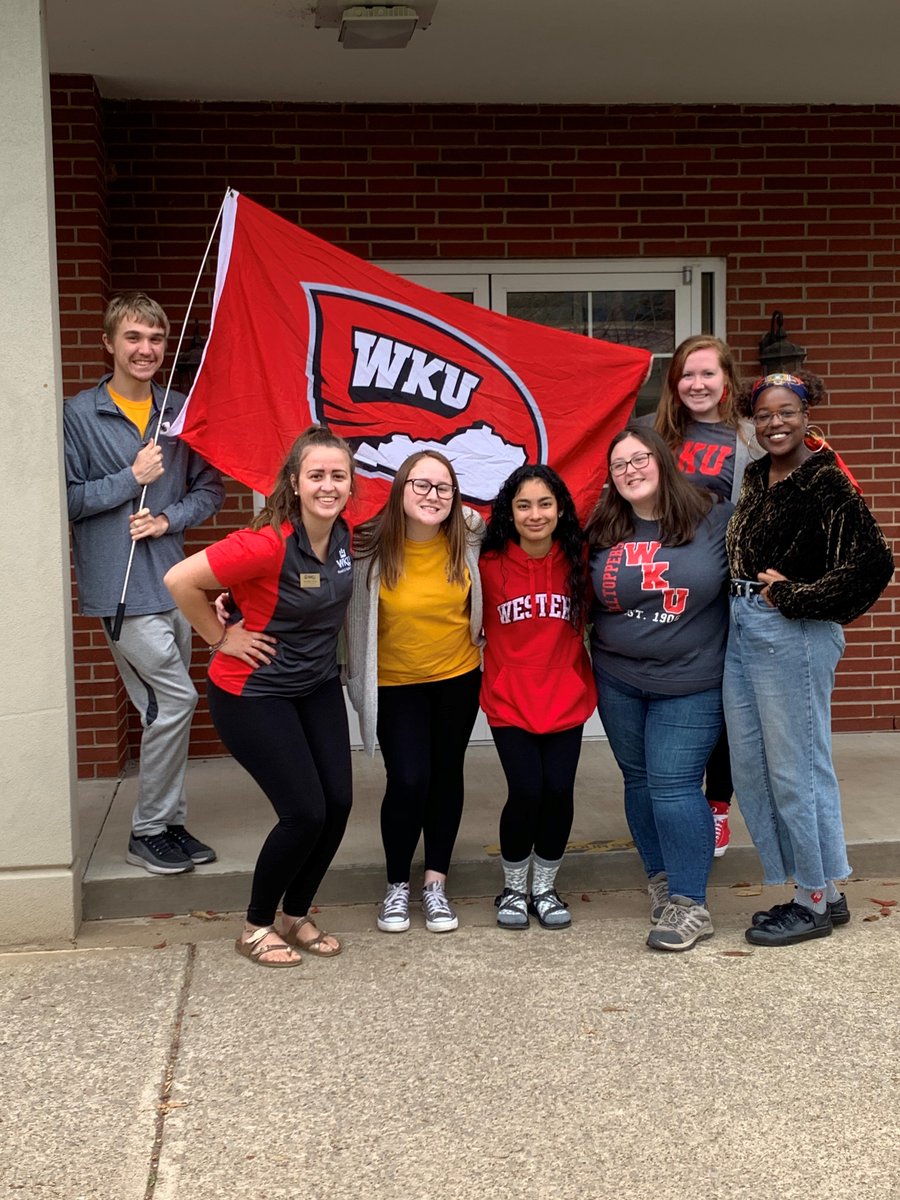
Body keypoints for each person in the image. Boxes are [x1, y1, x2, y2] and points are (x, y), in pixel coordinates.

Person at [164, 425, 355, 968]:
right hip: (253, 692)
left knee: (337, 804)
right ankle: (256, 925)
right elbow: (180, 579)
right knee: (303, 812)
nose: (327, 485)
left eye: (337, 476)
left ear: (350, 485)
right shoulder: (265, 542)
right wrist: (222, 635)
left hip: (314, 685)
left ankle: (296, 914)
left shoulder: (343, 535)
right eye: (316, 475)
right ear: (294, 483)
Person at [725, 372, 894, 947]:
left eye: (787, 412)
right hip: (743, 628)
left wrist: (797, 596)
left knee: (797, 769)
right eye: (764, 415)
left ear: (806, 415)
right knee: (756, 766)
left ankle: (812, 902)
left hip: (790, 633)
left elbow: (873, 564)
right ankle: (825, 887)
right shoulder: (755, 475)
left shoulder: (825, 480)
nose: (775, 423)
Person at [64, 293, 225, 875]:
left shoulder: (177, 412)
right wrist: (128, 479)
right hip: (121, 592)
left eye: (155, 339)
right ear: (109, 343)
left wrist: (166, 518)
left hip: (175, 585)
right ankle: (148, 831)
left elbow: (210, 490)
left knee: (167, 710)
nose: (146, 349)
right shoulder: (77, 416)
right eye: (133, 337)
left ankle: (169, 824)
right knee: (174, 701)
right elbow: (69, 499)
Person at [586, 427, 731, 951]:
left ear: (663, 459)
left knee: (673, 786)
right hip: (618, 678)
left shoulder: (715, 516)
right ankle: (663, 881)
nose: (629, 470)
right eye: (618, 464)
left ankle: (691, 903)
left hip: (691, 680)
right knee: (640, 780)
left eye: (639, 458)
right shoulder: (602, 525)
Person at [346, 451, 484, 935]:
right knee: (408, 779)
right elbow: (310, 567)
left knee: (446, 776)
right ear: (400, 489)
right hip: (395, 684)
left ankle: (435, 884)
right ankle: (396, 886)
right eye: (421, 485)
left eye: (443, 487)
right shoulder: (367, 545)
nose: (432, 496)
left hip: (458, 678)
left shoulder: (469, 537)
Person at [640, 334, 760, 857]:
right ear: (674, 381)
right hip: (662, 589)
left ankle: (716, 807)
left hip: (725, 589)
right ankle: (674, 799)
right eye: (687, 374)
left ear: (727, 383)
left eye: (708, 373)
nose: (697, 383)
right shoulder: (651, 435)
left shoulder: (752, 440)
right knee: (680, 698)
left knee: (727, 698)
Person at [479, 465, 596, 930]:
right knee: (526, 790)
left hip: (566, 695)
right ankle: (513, 887)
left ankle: (544, 888)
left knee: (558, 792)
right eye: (523, 504)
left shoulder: (579, 559)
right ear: (509, 511)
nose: (534, 514)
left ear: (561, 508)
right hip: (510, 699)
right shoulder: (486, 563)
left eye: (544, 503)